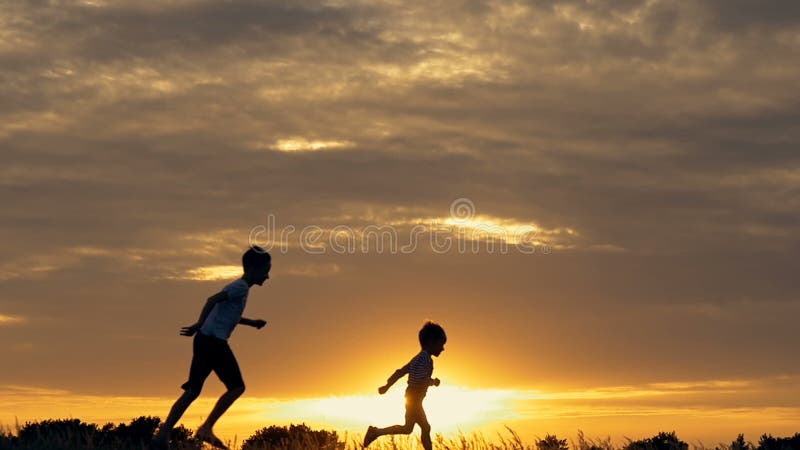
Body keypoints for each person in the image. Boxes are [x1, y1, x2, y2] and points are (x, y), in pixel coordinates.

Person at [151, 246, 271, 450]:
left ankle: (162, 436)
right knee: (237, 387)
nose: (267, 276)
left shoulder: (238, 288)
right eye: (265, 270)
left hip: (204, 340)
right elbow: (212, 300)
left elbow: (225, 313)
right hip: (214, 341)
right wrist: (198, 323)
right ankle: (206, 428)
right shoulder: (240, 287)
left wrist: (251, 323)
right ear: (252, 269)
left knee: (192, 391)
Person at [363, 321, 447, 450]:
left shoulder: (418, 358)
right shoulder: (424, 359)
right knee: (424, 427)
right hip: (413, 399)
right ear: (431, 342)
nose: (442, 348)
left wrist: (387, 385)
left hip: (412, 398)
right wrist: (433, 382)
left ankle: (376, 432)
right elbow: (420, 380)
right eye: (441, 344)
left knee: (408, 429)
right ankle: (376, 432)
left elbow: (400, 372)